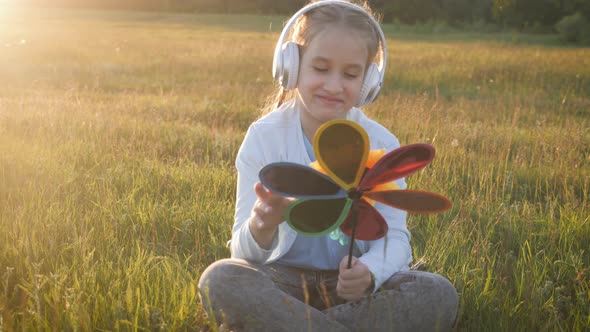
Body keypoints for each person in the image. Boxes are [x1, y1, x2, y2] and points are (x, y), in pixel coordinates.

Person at [198, 1, 459, 331]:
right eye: (320, 69)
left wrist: (370, 272)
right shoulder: (264, 138)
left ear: (369, 82)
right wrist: (260, 228)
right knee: (220, 278)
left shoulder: (381, 143)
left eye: (351, 74)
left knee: (436, 292)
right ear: (291, 66)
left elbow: (395, 238)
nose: (335, 86)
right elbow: (242, 249)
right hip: (283, 282)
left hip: (350, 290)